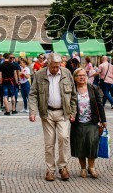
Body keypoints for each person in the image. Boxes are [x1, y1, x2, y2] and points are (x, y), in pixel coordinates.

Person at [28, 52, 77, 182]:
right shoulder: (39, 74)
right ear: (48, 64)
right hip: (47, 113)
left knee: (63, 138)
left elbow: (73, 94)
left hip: (63, 113)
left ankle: (62, 167)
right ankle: (50, 169)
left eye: (58, 66)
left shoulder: (66, 73)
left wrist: (73, 112)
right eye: (53, 66)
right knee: (49, 143)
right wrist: (33, 111)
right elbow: (33, 94)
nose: (56, 69)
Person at [70, 68, 106, 179]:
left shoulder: (93, 88)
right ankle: (83, 168)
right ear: (74, 78)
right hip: (77, 122)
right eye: (79, 75)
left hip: (92, 121)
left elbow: (100, 105)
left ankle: (92, 167)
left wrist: (103, 120)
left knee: (92, 143)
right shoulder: (72, 90)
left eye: (84, 75)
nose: (82, 77)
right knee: (80, 145)